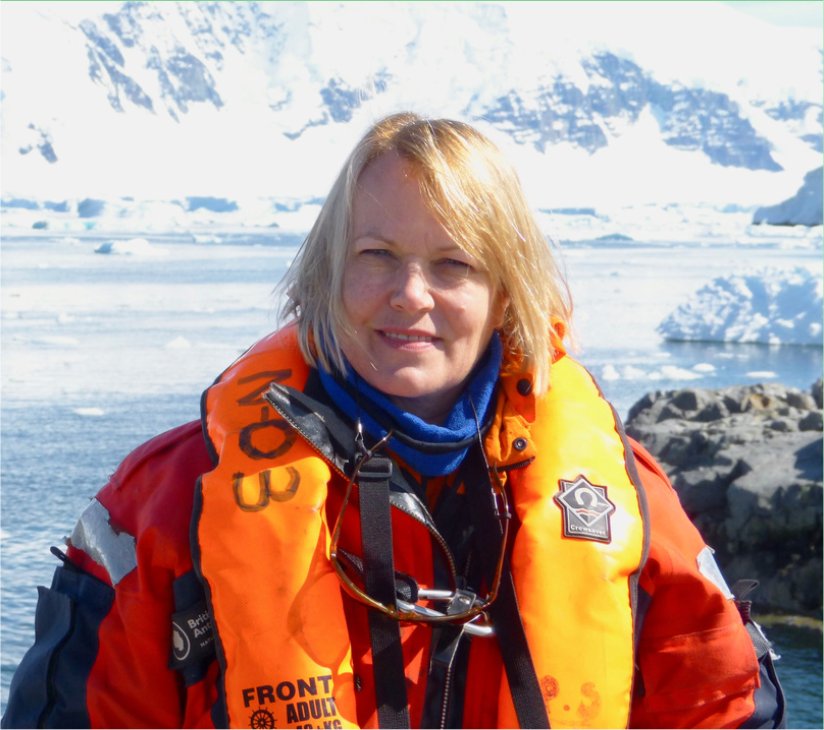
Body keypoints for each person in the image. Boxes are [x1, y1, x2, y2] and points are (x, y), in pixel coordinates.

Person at [2, 112, 784, 730]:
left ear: (507, 295)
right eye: (376, 253)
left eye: (456, 264)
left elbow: (724, 705)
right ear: (325, 273)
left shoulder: (626, 505)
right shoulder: (169, 503)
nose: (411, 294)